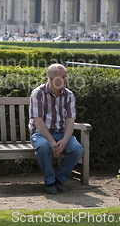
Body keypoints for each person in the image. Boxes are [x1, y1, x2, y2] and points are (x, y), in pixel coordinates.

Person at [29, 63, 83, 194]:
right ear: (51, 79)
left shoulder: (69, 95)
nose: (66, 80)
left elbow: (70, 120)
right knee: (43, 147)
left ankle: (59, 180)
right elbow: (38, 121)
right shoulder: (38, 93)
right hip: (40, 134)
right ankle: (50, 181)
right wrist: (52, 142)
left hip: (61, 133)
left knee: (77, 149)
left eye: (66, 76)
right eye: (62, 77)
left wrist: (64, 140)